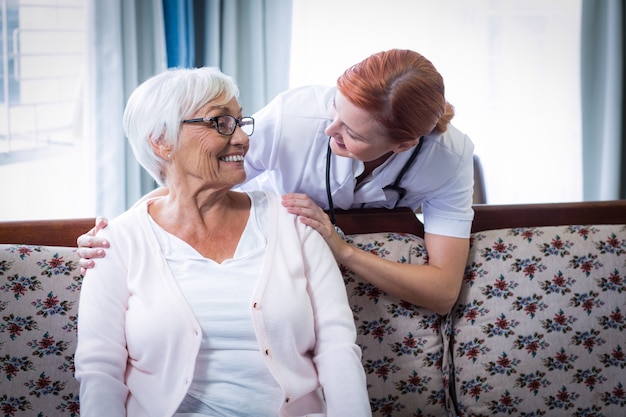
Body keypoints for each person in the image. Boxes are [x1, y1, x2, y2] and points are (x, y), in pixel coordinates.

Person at [77, 49, 474, 315]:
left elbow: (441, 292)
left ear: (404, 144)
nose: (329, 128)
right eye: (335, 109)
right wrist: (121, 233)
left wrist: (343, 250)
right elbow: (193, 176)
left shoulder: (449, 159)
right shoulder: (297, 118)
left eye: (351, 133)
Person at [74, 67, 371, 417]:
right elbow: (100, 371)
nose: (243, 138)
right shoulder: (115, 244)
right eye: (220, 122)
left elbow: (337, 348)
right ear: (161, 140)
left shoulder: (294, 222)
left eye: (240, 122)